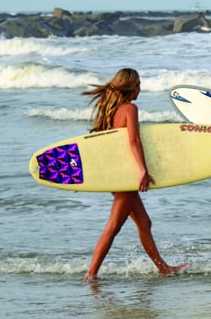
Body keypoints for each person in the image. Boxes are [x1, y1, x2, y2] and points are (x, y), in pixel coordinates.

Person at [81, 68, 189, 282]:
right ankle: (91, 274)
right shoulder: (130, 108)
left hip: (115, 174)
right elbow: (134, 141)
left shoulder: (108, 111)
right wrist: (143, 171)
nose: (141, 88)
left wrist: (88, 176)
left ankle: (163, 268)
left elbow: (101, 146)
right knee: (114, 226)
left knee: (144, 223)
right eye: (138, 84)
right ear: (131, 86)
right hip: (126, 175)